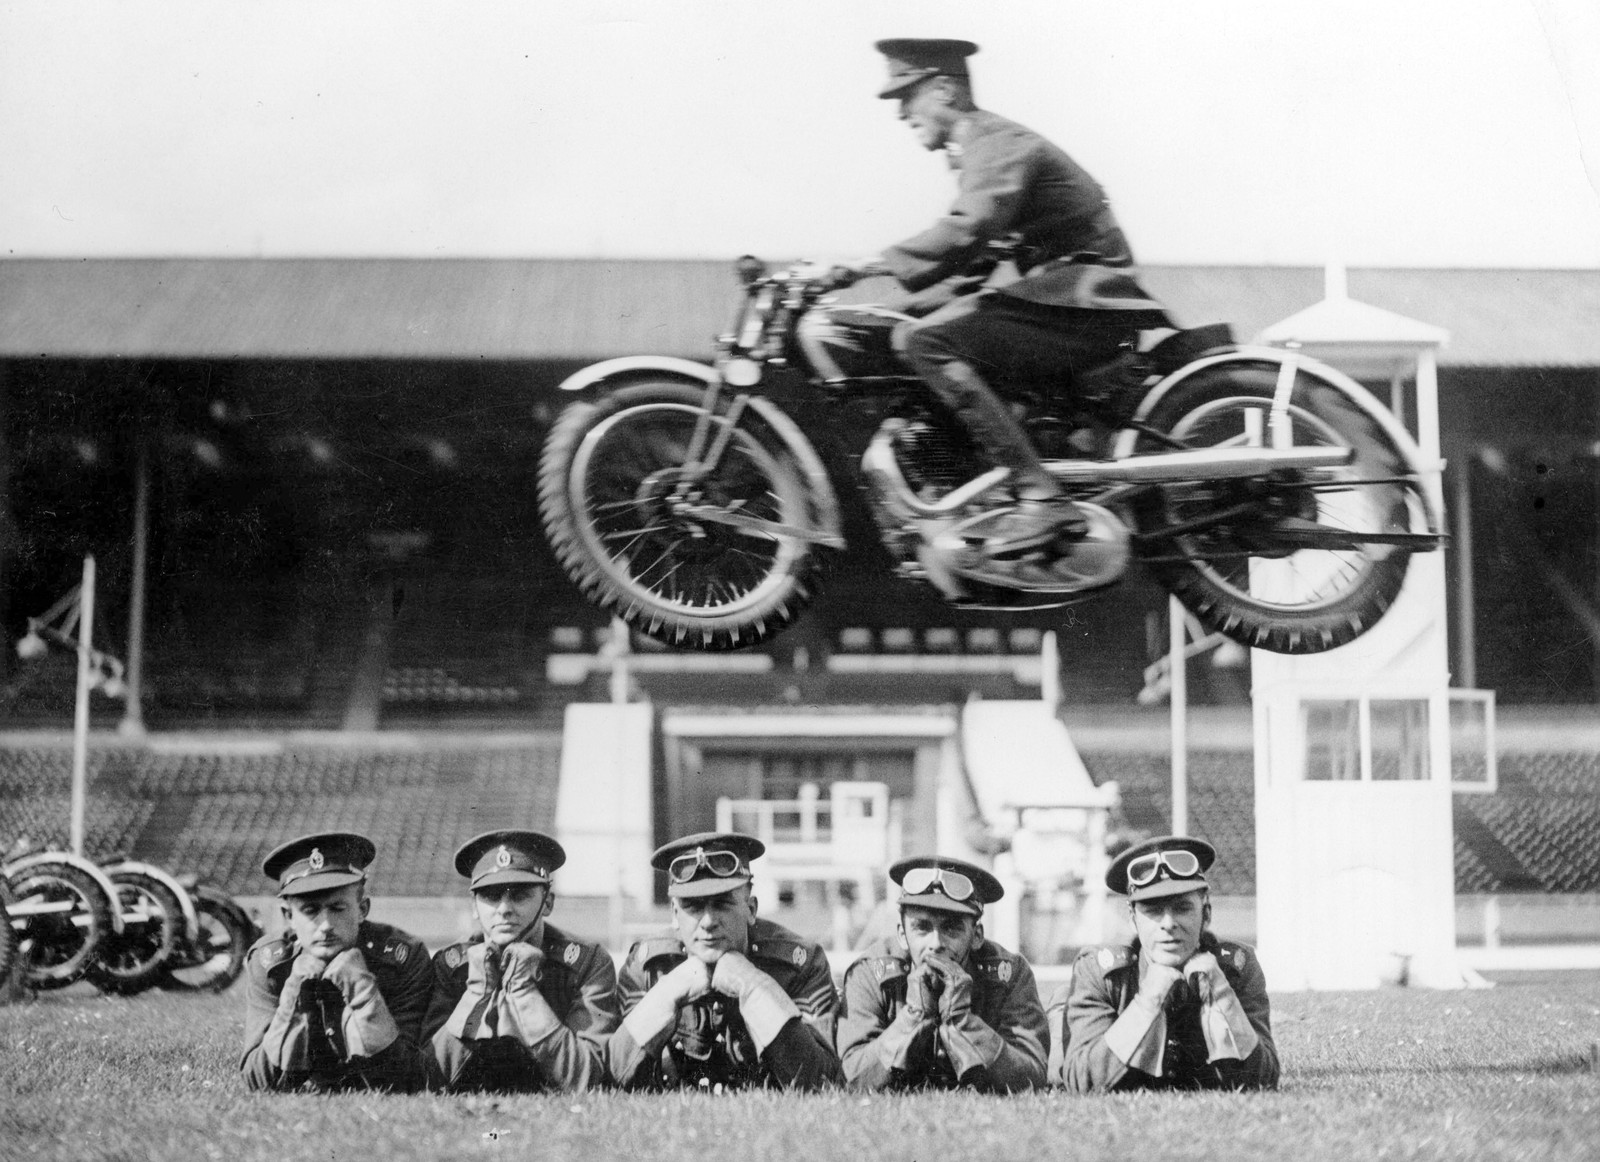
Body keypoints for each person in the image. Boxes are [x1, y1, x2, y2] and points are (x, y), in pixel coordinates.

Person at [837, 38, 1170, 558]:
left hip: (1086, 301)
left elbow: (968, 229)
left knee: (927, 344)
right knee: (911, 333)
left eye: (908, 95)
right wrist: (880, 309)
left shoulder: (997, 142)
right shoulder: (979, 150)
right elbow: (975, 270)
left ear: (945, 88)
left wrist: (860, 266)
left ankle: (1038, 493)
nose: (902, 113)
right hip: (1063, 301)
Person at [607, 831, 842, 1090]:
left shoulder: (800, 964)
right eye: (693, 907)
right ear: (675, 914)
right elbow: (614, 1077)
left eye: (722, 904)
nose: (708, 922)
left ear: (751, 909)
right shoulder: (649, 966)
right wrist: (667, 993)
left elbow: (822, 1081)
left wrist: (754, 987)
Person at [1048, 835, 1279, 1091]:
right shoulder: (1105, 975)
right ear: (1132, 917)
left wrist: (1223, 996)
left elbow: (1265, 1077)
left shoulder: (1235, 969)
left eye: (1182, 909)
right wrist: (1148, 1001)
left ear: (1207, 913)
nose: (1168, 924)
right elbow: (1084, 1080)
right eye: (1153, 911)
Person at [422, 830, 619, 1092]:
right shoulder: (453, 966)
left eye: (520, 895)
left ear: (547, 902)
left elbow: (589, 1079)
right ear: (474, 906)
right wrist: (476, 997)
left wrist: (526, 998)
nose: (504, 908)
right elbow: (426, 1080)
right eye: (490, 896)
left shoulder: (586, 963)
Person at [836, 855, 1047, 1091]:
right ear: (902, 934)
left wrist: (963, 1022)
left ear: (977, 936)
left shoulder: (1009, 975)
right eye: (922, 928)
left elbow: (1032, 1076)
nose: (936, 943)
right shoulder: (873, 972)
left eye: (952, 928)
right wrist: (913, 1017)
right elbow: (854, 1078)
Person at [240, 832, 430, 1092]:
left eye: (338, 909)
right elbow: (257, 1081)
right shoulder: (271, 964)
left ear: (362, 909)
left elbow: (411, 1076)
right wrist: (292, 998)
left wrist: (364, 993)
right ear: (288, 916)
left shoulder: (402, 958)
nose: (326, 925)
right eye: (310, 911)